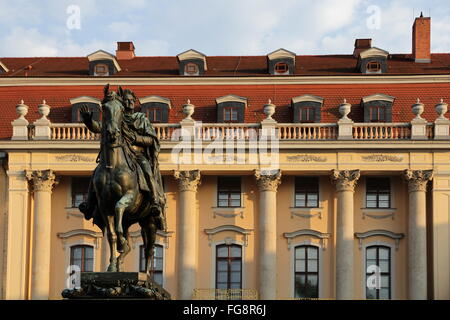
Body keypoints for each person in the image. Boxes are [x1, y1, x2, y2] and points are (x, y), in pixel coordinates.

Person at [78, 87, 167, 232]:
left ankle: (155, 202)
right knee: (96, 173)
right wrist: (88, 121)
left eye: (131, 100)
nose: (129, 103)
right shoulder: (116, 118)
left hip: (137, 155)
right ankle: (89, 205)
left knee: (147, 170)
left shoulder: (141, 118)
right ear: (122, 102)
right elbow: (99, 127)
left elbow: (151, 140)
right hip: (120, 154)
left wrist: (136, 138)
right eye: (126, 100)